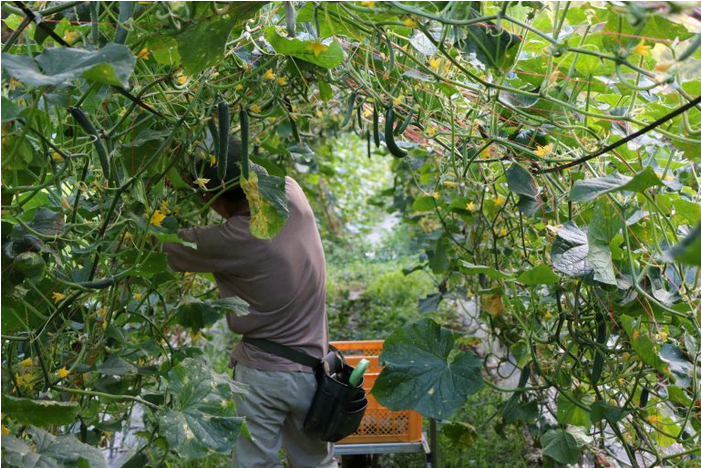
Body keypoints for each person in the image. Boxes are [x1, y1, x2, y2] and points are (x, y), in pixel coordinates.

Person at [163, 136, 337, 468]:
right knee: (318, 464)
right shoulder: (291, 195)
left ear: (208, 197)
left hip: (262, 374)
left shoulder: (232, 240)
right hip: (314, 371)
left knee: (255, 464)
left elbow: (160, 246)